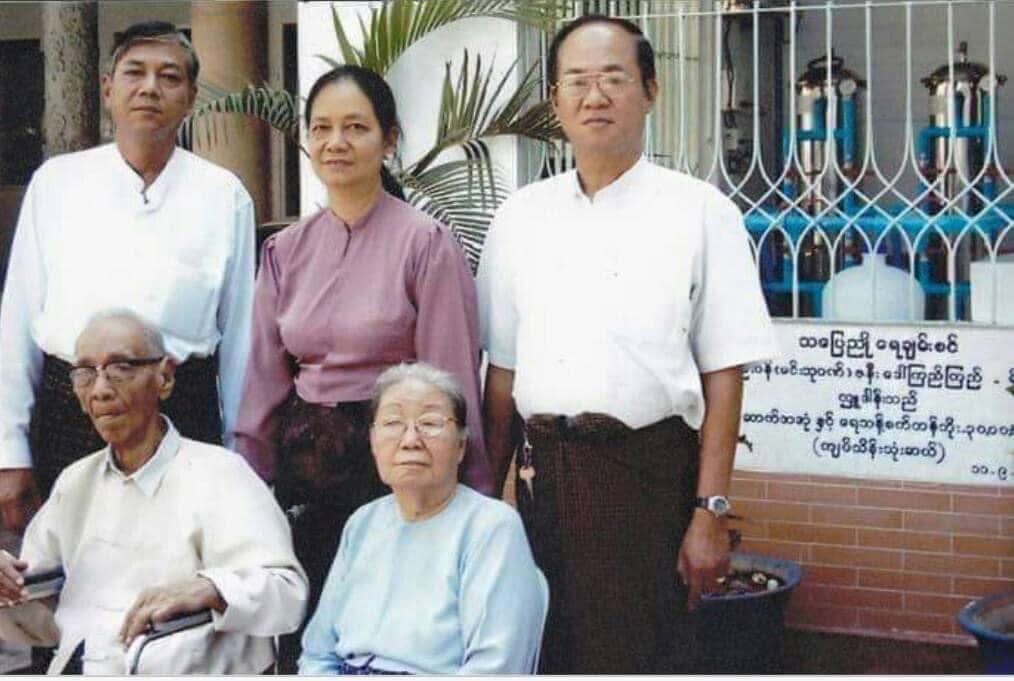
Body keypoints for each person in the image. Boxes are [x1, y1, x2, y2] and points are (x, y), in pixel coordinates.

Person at [476, 14, 779, 674]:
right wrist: (482, 503)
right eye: (577, 81)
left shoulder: (702, 213)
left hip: (647, 479)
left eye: (613, 78)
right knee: (541, 650)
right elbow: (502, 372)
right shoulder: (519, 217)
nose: (595, 96)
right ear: (555, 99)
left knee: (643, 655)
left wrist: (710, 512)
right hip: (543, 481)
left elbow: (724, 372)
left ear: (650, 91)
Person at [234, 65, 491, 672]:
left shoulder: (426, 243)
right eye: (322, 128)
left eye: (355, 127)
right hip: (305, 472)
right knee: (309, 633)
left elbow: (452, 381)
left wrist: (469, 496)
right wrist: (247, 490)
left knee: (392, 632)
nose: (336, 142)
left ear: (389, 140)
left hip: (396, 464)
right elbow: (264, 383)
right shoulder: (284, 251)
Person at [0, 21, 255, 532]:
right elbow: (18, 322)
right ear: (108, 89)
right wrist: (9, 449)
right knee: (68, 566)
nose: (150, 88)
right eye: (135, 73)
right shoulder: (57, 185)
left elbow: (242, 339)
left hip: (183, 411)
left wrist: (241, 456)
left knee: (180, 563)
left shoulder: (223, 196)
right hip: (70, 412)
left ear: (190, 98)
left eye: (169, 77)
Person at [0, 311, 307, 674]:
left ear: (165, 377)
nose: (100, 389)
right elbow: (41, 612)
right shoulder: (75, 482)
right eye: (85, 372)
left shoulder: (220, 474)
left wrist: (210, 589)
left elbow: (286, 594)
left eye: (121, 368)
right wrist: (7, 587)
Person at [298, 362, 547, 675]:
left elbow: (494, 667)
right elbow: (318, 653)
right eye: (393, 423)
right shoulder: (362, 522)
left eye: (430, 423)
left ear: (461, 445)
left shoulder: (491, 528)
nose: (410, 440)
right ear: (373, 442)